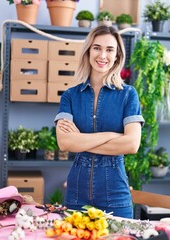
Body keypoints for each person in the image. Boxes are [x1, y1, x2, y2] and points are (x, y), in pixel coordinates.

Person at [54, 26, 144, 218]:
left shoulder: (128, 95)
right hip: (76, 193)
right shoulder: (70, 96)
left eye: (110, 49)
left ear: (117, 56)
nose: (102, 55)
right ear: (88, 51)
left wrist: (81, 140)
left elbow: (131, 144)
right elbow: (65, 143)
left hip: (115, 193)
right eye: (96, 48)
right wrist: (111, 136)